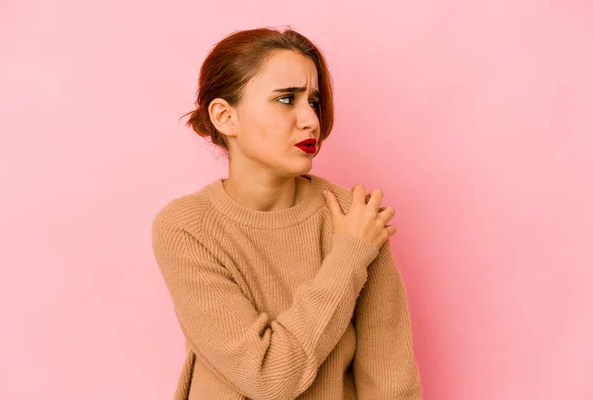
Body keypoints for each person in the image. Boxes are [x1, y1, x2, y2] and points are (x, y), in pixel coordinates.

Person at [151, 27, 422, 400]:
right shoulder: (188, 227)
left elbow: (390, 385)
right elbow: (268, 378)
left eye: (313, 101)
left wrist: (354, 246)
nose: (310, 119)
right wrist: (347, 258)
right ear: (224, 117)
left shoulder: (354, 218)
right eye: (285, 99)